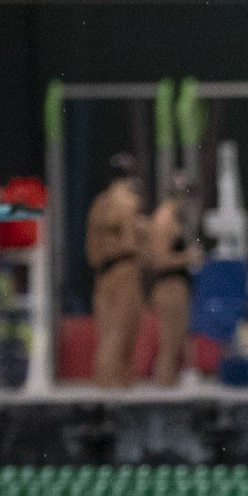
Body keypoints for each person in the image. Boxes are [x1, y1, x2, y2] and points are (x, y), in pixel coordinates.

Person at [86, 155, 144, 388]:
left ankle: (104, 386)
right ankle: (115, 390)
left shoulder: (99, 202)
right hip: (124, 271)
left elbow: (90, 244)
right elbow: (130, 242)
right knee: (123, 332)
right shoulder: (128, 201)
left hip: (102, 274)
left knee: (107, 333)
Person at [142, 172, 201, 387]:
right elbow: (158, 260)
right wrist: (188, 257)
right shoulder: (164, 219)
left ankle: (169, 387)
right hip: (168, 288)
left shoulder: (174, 218)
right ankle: (163, 389)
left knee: (176, 344)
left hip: (177, 286)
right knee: (169, 344)